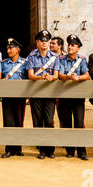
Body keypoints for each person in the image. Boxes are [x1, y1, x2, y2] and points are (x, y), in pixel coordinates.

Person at [26, 30, 61, 159]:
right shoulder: (32, 56)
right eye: (42, 40)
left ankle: (50, 149)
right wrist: (42, 77)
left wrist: (50, 77)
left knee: (49, 120)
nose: (45, 43)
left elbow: (56, 75)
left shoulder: (55, 57)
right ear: (37, 42)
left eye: (47, 41)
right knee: (38, 121)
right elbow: (30, 75)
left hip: (50, 94)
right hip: (36, 94)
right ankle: (41, 149)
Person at [57, 34, 90, 160]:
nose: (70, 47)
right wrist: (68, 77)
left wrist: (78, 77)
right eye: (69, 45)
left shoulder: (82, 59)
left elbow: (86, 75)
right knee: (66, 123)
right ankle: (70, 150)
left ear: (78, 48)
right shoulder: (61, 59)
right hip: (64, 95)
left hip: (77, 97)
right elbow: (59, 74)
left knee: (79, 123)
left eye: (73, 45)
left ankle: (81, 151)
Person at [0, 38, 27, 158]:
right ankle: (9, 149)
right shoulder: (3, 63)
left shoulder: (25, 63)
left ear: (18, 50)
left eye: (11, 48)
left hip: (19, 97)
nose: (8, 50)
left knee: (19, 122)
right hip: (7, 97)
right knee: (8, 122)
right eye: (7, 48)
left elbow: (28, 79)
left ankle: (18, 148)